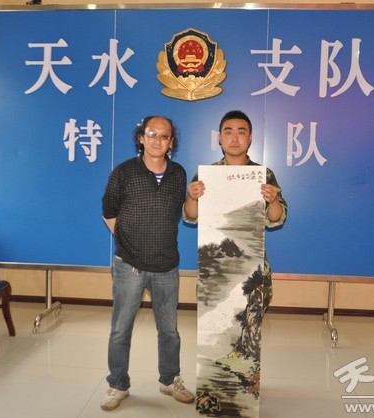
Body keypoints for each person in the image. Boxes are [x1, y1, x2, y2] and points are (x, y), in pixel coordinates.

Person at [100, 115, 194, 411]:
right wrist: (128, 242)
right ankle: (118, 384)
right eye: (152, 134)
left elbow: (182, 212)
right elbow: (108, 210)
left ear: (171, 142)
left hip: (167, 265)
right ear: (141, 138)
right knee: (120, 330)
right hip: (129, 265)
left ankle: (170, 380)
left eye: (164, 136)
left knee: (170, 331)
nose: (157, 140)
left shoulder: (179, 174)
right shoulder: (124, 172)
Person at [183, 109, 287, 313]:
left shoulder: (263, 175)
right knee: (216, 322)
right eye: (228, 132)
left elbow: (276, 219)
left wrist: (273, 200)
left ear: (250, 138)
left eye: (241, 132)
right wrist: (192, 198)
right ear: (220, 138)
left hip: (251, 262)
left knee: (250, 322)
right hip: (216, 262)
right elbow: (191, 216)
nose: (234, 138)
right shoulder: (208, 174)